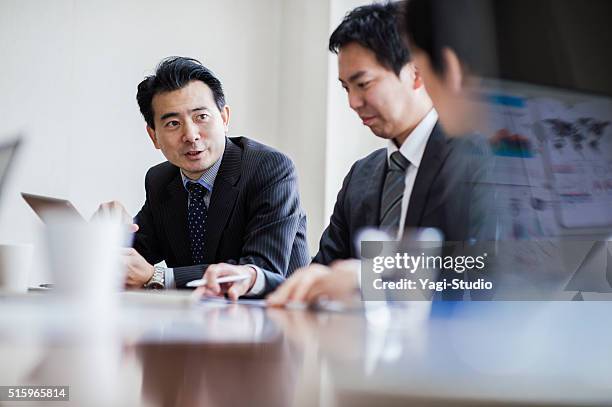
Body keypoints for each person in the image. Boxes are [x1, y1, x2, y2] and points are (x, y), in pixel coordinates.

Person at [268, 2, 486, 306]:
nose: (353, 102)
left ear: (416, 73)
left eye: (363, 84)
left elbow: (485, 269)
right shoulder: (361, 175)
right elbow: (327, 268)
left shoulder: (479, 162)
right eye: (346, 88)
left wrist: (366, 277)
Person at [97, 57, 309, 299]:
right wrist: (109, 235)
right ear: (154, 136)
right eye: (173, 123)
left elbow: (262, 270)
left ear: (224, 118)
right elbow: (133, 260)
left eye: (201, 117)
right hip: (196, 323)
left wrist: (157, 277)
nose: (191, 135)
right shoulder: (160, 180)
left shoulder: (269, 168)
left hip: (276, 321)